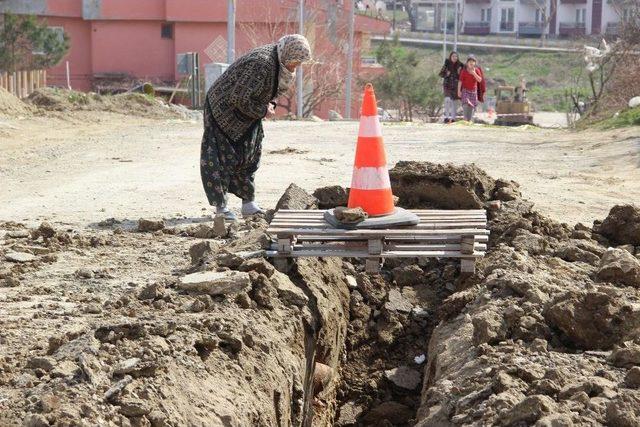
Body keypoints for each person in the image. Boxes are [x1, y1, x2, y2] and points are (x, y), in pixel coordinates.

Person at [200, 34, 312, 220]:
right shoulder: (261, 63)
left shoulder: (280, 64)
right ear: (286, 54)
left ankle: (248, 204)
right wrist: (263, 110)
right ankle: (221, 208)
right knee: (220, 158)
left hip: (249, 111)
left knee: (250, 154)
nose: (295, 67)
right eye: (294, 62)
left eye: (299, 63)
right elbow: (238, 97)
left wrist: (270, 106)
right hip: (223, 109)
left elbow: (271, 92)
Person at [439, 51, 463, 123]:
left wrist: (459, 73)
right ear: (450, 57)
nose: (455, 58)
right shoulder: (446, 64)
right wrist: (447, 73)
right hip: (447, 85)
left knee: (454, 102)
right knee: (447, 100)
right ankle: (446, 117)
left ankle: (453, 118)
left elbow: (463, 76)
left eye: (456, 56)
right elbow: (441, 74)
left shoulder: (460, 65)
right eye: (453, 56)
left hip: (456, 85)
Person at [457, 57, 483, 122]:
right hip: (465, 90)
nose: (471, 63)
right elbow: (460, 81)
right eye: (470, 62)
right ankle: (465, 119)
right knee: (465, 104)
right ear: (467, 63)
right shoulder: (464, 71)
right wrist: (458, 91)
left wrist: (474, 73)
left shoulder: (477, 70)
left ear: (475, 63)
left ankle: (469, 120)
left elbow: (480, 80)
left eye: (473, 62)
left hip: (473, 91)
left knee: (471, 107)